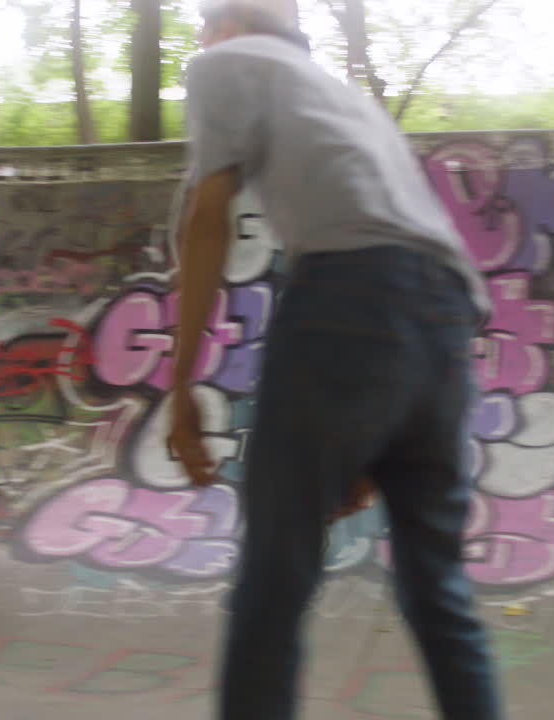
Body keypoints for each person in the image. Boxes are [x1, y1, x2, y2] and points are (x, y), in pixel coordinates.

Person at [165, 0, 503, 718]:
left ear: (220, 23)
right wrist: (366, 438)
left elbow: (205, 216)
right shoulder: (343, 99)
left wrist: (180, 384)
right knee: (436, 584)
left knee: (275, 581)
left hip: (348, 297)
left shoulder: (224, 61)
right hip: (447, 318)